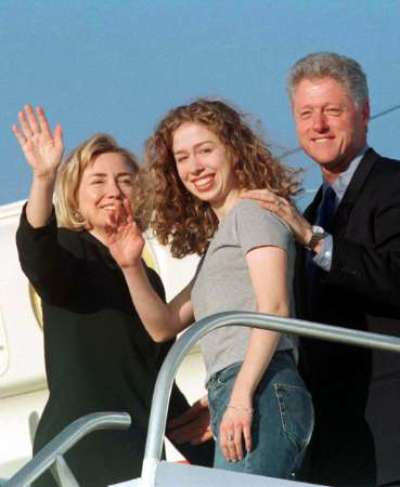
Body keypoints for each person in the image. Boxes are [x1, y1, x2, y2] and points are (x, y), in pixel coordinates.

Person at [106, 99, 314, 479]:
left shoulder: (255, 212)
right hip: (236, 390)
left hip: (262, 388)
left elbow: (274, 306)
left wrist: (240, 396)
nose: (194, 166)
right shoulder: (220, 241)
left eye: (205, 150)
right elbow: (164, 325)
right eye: (182, 157)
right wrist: (130, 265)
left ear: (234, 151)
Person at [12, 105, 213, 487]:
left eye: (124, 180)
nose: (113, 191)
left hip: (134, 452)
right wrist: (43, 178)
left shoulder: (148, 278)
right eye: (98, 181)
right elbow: (37, 252)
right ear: (75, 194)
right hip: (77, 447)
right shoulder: (70, 248)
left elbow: (154, 374)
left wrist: (208, 449)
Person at [244, 52, 400, 487]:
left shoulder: (392, 185)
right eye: (306, 114)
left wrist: (316, 241)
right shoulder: (313, 213)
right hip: (337, 450)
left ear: (364, 112)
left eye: (332, 111)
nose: (319, 126)